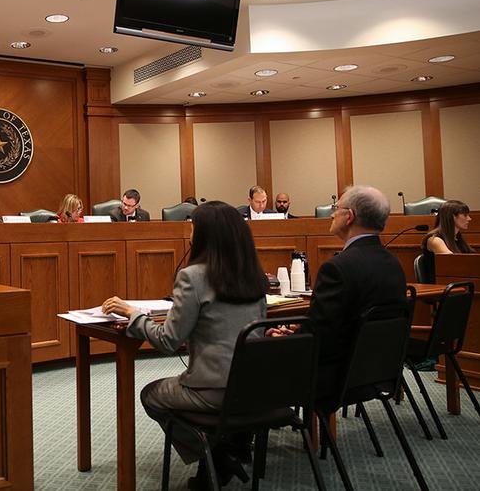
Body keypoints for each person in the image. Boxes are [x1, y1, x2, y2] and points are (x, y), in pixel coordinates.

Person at [102, 201, 268, 487]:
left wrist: (134, 315)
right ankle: (227, 448)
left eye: (193, 227)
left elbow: (168, 341)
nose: (189, 232)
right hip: (254, 389)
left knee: (151, 395)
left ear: (205, 235)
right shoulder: (254, 276)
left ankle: (216, 455)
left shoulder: (192, 277)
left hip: (213, 390)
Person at [268, 185, 407, 409]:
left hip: (333, 377)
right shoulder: (394, 264)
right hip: (375, 371)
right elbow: (349, 322)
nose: (333, 213)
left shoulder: (337, 268)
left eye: (337, 208)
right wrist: (297, 330)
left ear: (349, 217)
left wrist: (287, 339)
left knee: (258, 352)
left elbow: (320, 336)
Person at [420, 199, 474, 279]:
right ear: (452, 217)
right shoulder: (434, 240)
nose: (469, 219)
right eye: (465, 215)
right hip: (442, 285)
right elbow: (452, 263)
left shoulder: (457, 238)